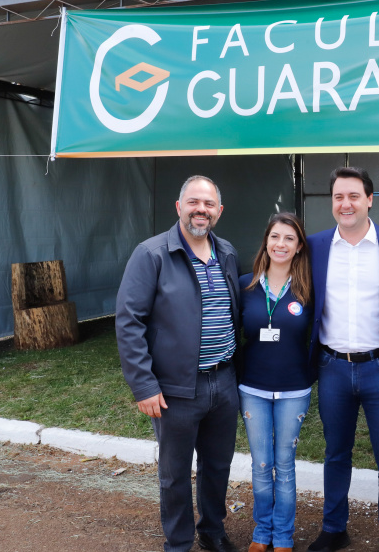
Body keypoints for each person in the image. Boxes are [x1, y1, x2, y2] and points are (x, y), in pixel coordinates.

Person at [116, 175, 241, 552]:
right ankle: (179, 541)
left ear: (219, 211)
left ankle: (212, 531)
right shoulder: (152, 254)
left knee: (217, 467)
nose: (200, 210)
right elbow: (128, 320)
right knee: (174, 474)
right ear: (179, 207)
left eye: (208, 204)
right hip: (174, 390)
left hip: (223, 381)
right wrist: (144, 385)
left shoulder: (228, 253)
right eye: (193, 202)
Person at [306, 166, 379, 552]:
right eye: (338, 197)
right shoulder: (315, 245)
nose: (346, 203)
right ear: (331, 202)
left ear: (370, 200)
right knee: (336, 453)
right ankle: (334, 528)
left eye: (354, 196)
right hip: (333, 367)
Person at [238, 212, 314, 552]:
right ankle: (261, 533)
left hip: (294, 389)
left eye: (289, 239)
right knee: (261, 464)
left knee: (284, 465)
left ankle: (283, 536)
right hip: (252, 387)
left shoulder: (310, 290)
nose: (280, 244)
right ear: (266, 242)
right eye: (275, 237)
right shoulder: (245, 286)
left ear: (298, 247)